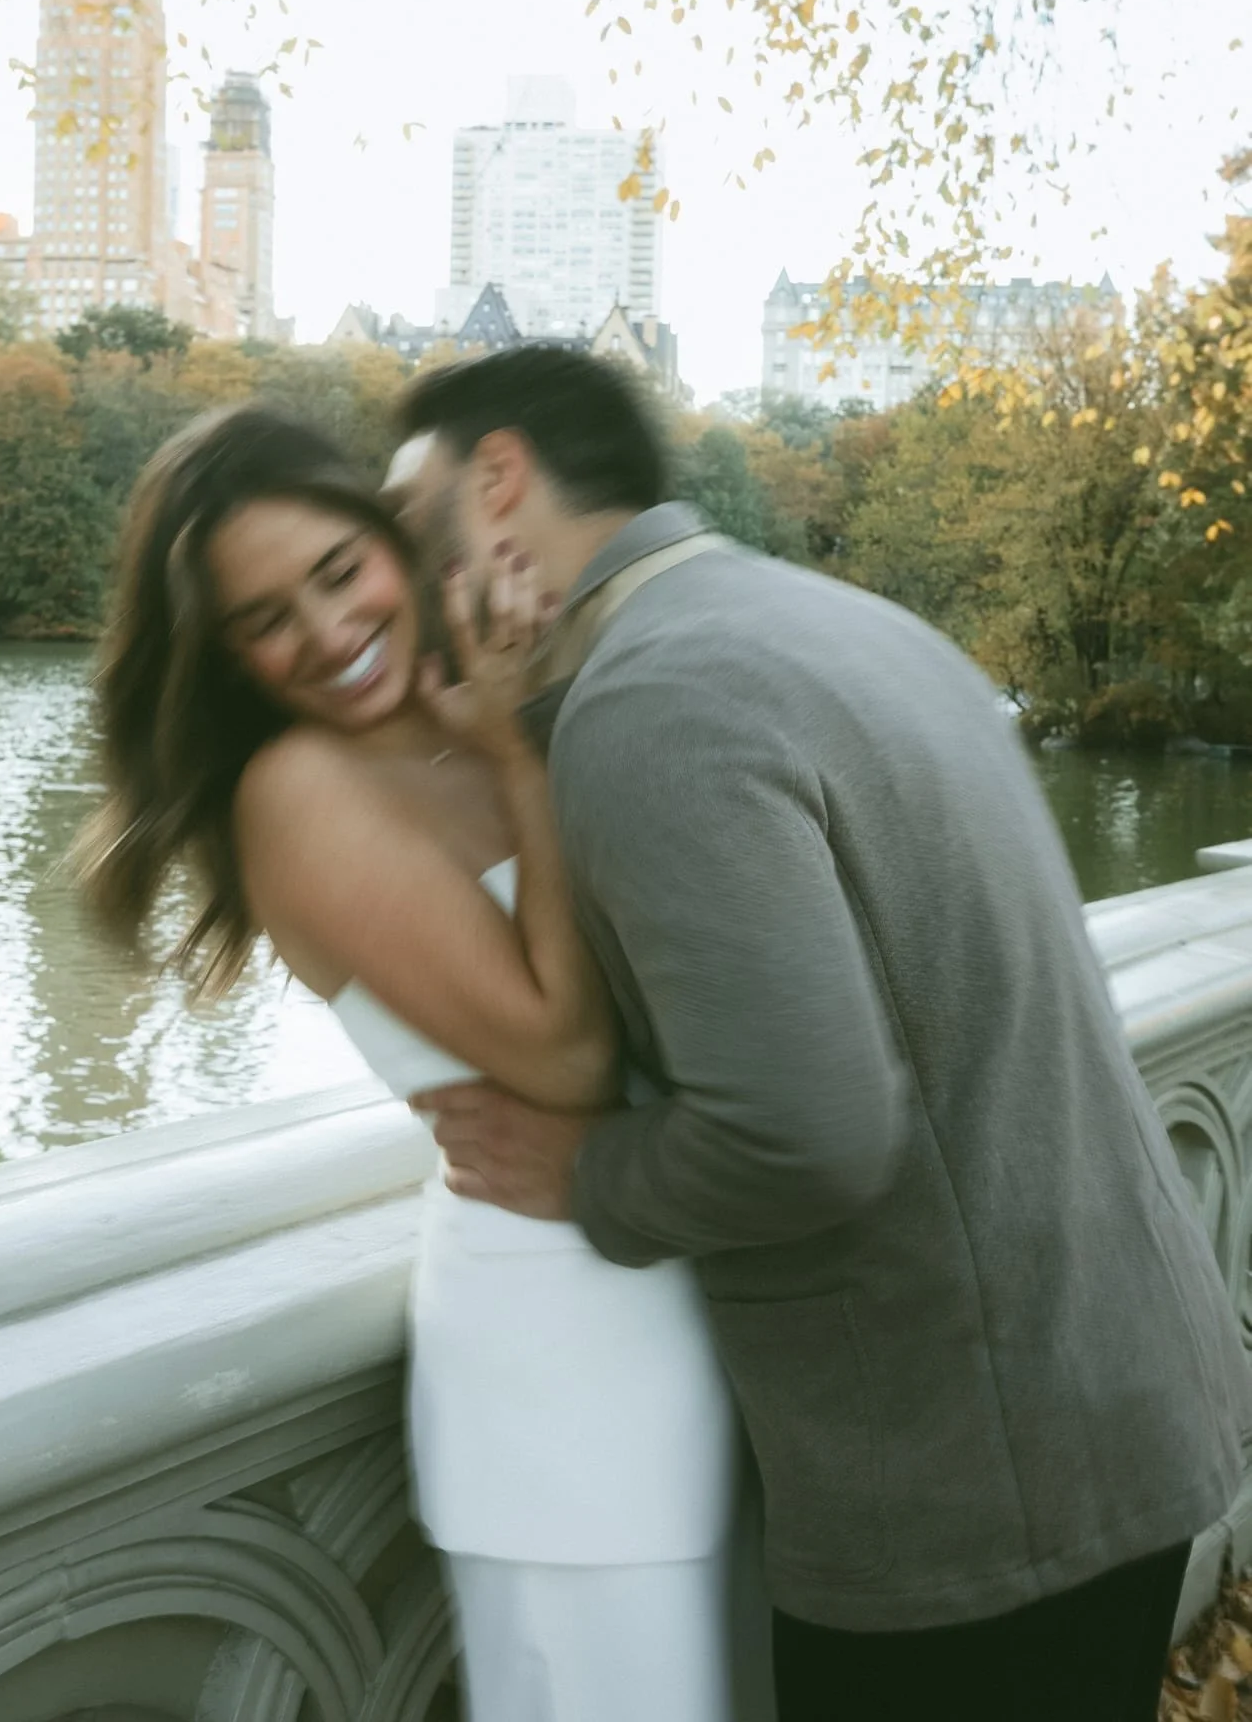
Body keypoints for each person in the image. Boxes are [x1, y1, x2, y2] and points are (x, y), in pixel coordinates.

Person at [385, 344, 1252, 1722]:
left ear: (495, 477)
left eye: (404, 501)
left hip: (969, 1495)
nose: (389, 557)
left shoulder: (650, 707)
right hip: (1112, 1401)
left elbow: (805, 1133)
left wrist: (582, 1174)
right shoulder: (837, 620)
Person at [76, 405, 754, 1722]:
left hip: (684, 1308)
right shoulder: (300, 792)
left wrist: (508, 718)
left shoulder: (473, 698)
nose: (327, 636)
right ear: (218, 656)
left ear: (387, 534)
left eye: (340, 573)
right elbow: (562, 1054)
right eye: (265, 620)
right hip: (561, 1364)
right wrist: (514, 745)